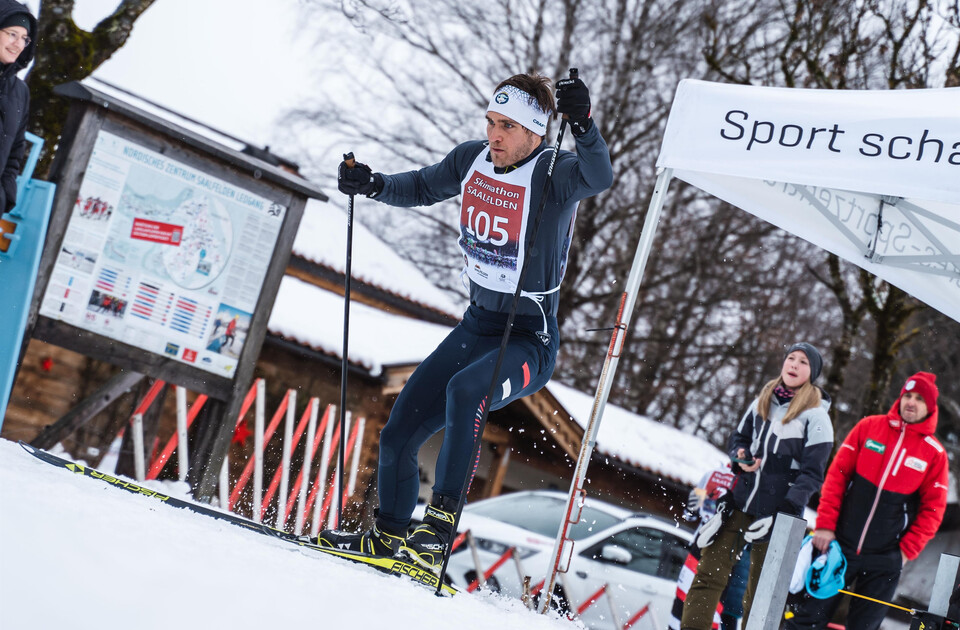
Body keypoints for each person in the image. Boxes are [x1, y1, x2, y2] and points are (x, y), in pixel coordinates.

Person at [317, 71, 613, 572]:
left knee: (465, 391)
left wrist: (583, 123)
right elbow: (423, 186)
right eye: (491, 122)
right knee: (399, 432)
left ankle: (437, 529)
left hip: (527, 340)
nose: (495, 134)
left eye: (508, 127)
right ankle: (387, 537)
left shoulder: (554, 172)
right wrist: (372, 184)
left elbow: (599, 175)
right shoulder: (472, 157)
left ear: (536, 132)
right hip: (476, 326)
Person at [681, 342, 834, 630]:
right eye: (791, 358)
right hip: (740, 501)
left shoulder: (817, 417)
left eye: (803, 362)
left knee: (762, 595)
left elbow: (812, 474)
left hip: (780, 515)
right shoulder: (762, 401)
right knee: (708, 575)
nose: (794, 364)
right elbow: (737, 440)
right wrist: (740, 458)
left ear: (812, 373)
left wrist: (786, 509)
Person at [785, 372, 949, 630]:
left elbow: (934, 509)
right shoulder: (869, 427)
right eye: (907, 395)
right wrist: (826, 526)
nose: (911, 402)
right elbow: (836, 478)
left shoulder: (935, 454)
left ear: (929, 407)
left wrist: (905, 552)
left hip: (885, 560)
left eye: (919, 399)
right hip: (838, 545)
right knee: (806, 620)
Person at [669, 464, 751, 630]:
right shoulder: (748, 482)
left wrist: (694, 511)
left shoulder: (711, 474)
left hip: (704, 543)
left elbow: (690, 512)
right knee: (709, 604)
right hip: (724, 549)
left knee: (687, 600)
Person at [0, 1, 35, 215]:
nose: (18, 44)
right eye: (12, 34)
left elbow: (15, 153)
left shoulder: (20, 92)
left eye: (24, 38)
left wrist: (4, 197)